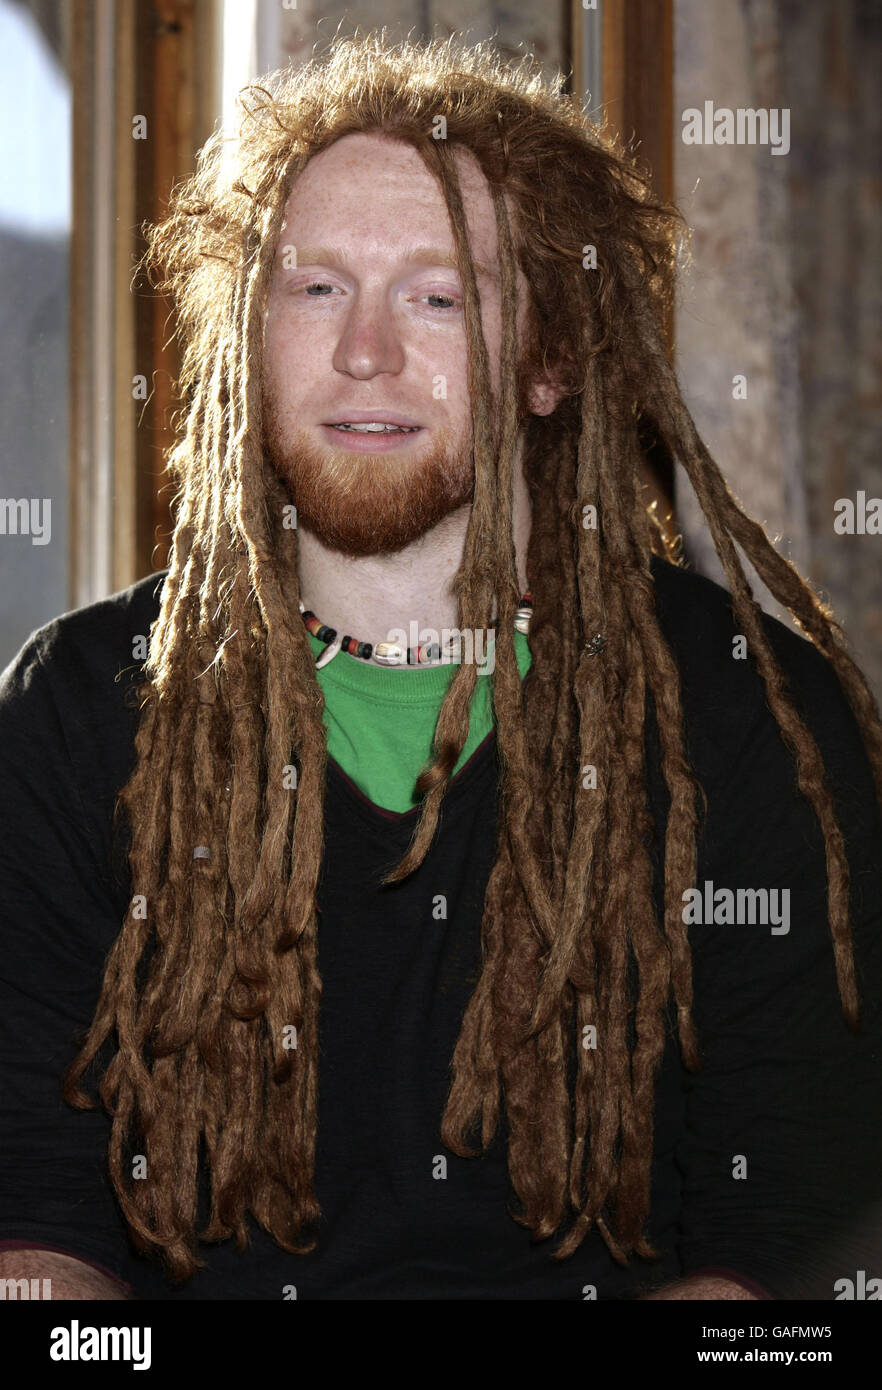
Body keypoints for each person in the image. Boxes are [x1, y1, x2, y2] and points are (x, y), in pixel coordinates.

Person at [1, 33, 880, 1302]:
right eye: (313, 291)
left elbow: (781, 1237)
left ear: (548, 359)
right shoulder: (76, 714)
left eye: (438, 295)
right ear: (246, 346)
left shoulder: (748, 717)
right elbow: (34, 1218)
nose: (365, 352)